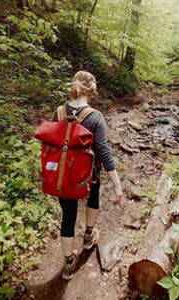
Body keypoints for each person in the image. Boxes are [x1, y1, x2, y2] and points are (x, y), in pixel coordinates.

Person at [56, 71, 125, 280]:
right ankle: (88, 236)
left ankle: (68, 264)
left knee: (67, 217)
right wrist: (117, 183)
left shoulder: (59, 112)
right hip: (88, 173)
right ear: (91, 90)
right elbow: (103, 151)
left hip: (63, 175)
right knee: (93, 198)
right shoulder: (95, 116)